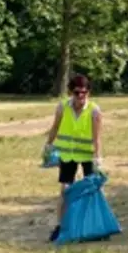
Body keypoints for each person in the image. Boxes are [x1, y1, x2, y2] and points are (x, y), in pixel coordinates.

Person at [43, 74, 103, 242]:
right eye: (77, 93)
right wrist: (48, 146)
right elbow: (54, 128)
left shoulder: (94, 111)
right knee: (65, 191)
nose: (81, 97)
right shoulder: (62, 107)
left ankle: (94, 226)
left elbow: (97, 137)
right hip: (68, 155)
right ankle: (61, 227)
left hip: (87, 155)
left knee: (93, 190)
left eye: (85, 92)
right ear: (71, 92)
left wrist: (98, 158)